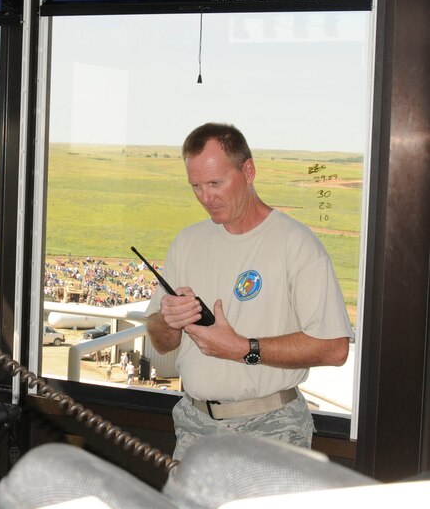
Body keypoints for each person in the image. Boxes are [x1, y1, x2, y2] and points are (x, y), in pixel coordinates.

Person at [144, 123, 353, 460]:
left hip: (273, 431)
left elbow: (334, 348)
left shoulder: (295, 245)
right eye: (195, 186)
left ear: (249, 170)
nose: (205, 198)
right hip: (194, 429)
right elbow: (162, 340)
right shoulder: (187, 242)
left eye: (216, 183)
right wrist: (169, 320)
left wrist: (244, 348)